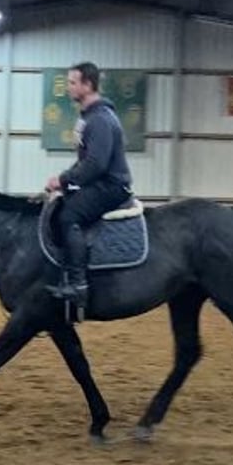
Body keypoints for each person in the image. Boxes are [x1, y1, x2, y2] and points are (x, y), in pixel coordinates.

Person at [45, 61, 133, 311]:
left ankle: (78, 284)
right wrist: (67, 184)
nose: (69, 88)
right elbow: (86, 162)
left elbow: (96, 164)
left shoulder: (101, 119)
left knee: (68, 216)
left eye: (73, 83)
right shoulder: (88, 117)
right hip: (100, 182)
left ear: (88, 85)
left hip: (112, 185)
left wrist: (63, 180)